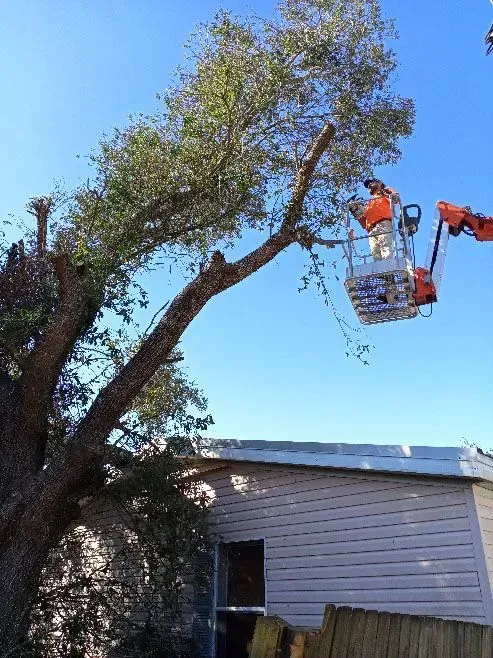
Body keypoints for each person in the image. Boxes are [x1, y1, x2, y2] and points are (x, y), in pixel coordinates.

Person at [356, 178, 399, 261]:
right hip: (371, 230)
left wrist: (386, 193)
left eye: (371, 183)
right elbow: (364, 225)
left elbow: (396, 199)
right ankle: (382, 274)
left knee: (386, 250)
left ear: (379, 183)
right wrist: (357, 213)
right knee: (376, 257)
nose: (368, 186)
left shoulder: (385, 192)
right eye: (367, 186)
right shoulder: (369, 204)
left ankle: (389, 271)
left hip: (383, 224)